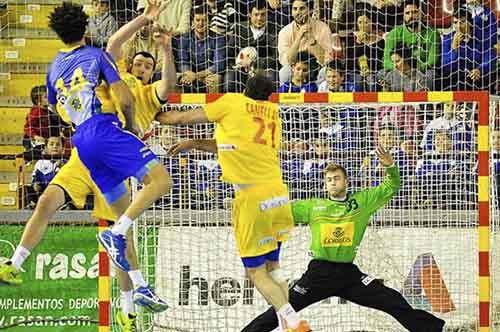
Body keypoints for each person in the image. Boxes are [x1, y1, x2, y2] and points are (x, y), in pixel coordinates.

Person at [0, 0, 173, 322]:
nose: (140, 67)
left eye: (145, 65)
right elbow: (121, 85)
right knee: (160, 183)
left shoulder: (55, 66)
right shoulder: (103, 60)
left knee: (123, 224)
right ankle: (114, 246)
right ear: (86, 30)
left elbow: (55, 106)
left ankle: (136, 293)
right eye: (138, 63)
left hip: (83, 140)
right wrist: (131, 123)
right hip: (106, 134)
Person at [159, 73, 311, 332]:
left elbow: (180, 118)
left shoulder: (231, 102)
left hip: (252, 198)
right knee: (274, 266)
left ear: (243, 89)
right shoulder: (272, 113)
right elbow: (232, 146)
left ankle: (293, 321)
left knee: (255, 273)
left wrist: (144, 106)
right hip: (278, 194)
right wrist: (195, 143)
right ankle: (288, 326)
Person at [241, 152, 446, 332]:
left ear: (346, 181)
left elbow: (391, 186)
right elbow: (279, 213)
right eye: (328, 179)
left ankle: (433, 329)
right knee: (281, 310)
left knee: (392, 300)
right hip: (319, 274)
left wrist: (390, 167)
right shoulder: (314, 206)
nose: (332, 182)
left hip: (348, 275)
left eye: (336, 178)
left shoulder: (362, 202)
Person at [277, 0, 333, 85]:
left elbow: (325, 60)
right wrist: (299, 37)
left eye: (302, 8)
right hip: (295, 68)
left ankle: (318, 98)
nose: (298, 12)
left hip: (315, 67)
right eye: (295, 9)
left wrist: (311, 39)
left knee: (325, 71)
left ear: (310, 10)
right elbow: (287, 61)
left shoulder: (323, 28)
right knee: (284, 72)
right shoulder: (285, 32)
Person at [383, 0, 440, 77]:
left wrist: (411, 69)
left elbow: (433, 61)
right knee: (382, 74)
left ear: (421, 13)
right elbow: (386, 61)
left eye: (414, 12)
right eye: (407, 13)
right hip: (399, 70)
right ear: (403, 15)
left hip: (422, 71)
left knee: (431, 74)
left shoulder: (433, 33)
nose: (411, 16)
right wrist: (400, 68)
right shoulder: (394, 33)